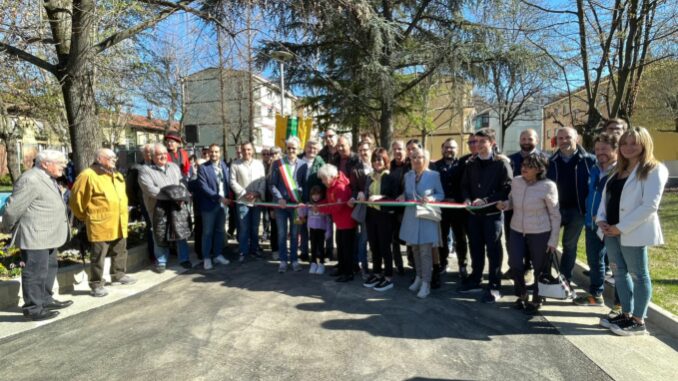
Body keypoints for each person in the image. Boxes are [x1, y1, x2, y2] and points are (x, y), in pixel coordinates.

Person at [597, 127, 668, 336]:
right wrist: (601, 219)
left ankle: (638, 320)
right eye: (624, 143)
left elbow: (650, 206)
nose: (628, 147)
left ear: (644, 144)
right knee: (619, 273)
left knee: (638, 275)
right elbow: (606, 199)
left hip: (631, 232)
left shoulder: (654, 169)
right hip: (610, 231)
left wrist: (620, 227)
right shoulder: (617, 170)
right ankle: (626, 314)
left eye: (633, 143)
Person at [2, 150, 72, 321]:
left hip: (49, 235)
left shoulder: (48, 178)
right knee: (35, 272)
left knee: (49, 268)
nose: (64, 166)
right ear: (45, 163)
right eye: (60, 163)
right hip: (35, 236)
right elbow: (12, 208)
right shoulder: (31, 179)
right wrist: (5, 227)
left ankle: (45, 300)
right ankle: (33, 309)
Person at [498, 153, 560, 314]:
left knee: (540, 268)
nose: (523, 168)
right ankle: (522, 294)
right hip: (517, 229)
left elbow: (555, 214)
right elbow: (512, 201)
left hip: (540, 232)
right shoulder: (517, 182)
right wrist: (505, 204)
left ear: (540, 169)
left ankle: (538, 297)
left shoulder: (548, 186)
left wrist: (553, 240)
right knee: (515, 264)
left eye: (529, 166)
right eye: (523, 165)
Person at [70, 148, 136, 297]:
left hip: (119, 220)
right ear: (99, 159)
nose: (115, 159)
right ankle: (96, 284)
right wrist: (84, 217)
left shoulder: (116, 174)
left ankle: (118, 274)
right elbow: (76, 200)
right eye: (110, 157)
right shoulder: (88, 175)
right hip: (100, 222)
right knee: (98, 254)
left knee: (120, 249)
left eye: (115, 157)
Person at [460, 129, 512, 303]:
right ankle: (475, 279)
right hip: (474, 215)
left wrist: (487, 200)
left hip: (492, 215)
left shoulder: (501, 164)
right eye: (476, 141)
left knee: (494, 250)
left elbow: (507, 188)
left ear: (492, 143)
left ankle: (494, 285)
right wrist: (467, 199)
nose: (478, 144)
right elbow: (465, 186)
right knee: (475, 247)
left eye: (483, 141)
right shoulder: (471, 163)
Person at [574, 133, 619, 307]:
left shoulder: (620, 171)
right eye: (598, 149)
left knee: (617, 267)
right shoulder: (594, 169)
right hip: (591, 223)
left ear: (615, 149)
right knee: (594, 261)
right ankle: (595, 295)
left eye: (605, 149)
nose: (600, 152)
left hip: (610, 226)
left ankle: (620, 304)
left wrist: (605, 217)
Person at [546, 127, 595, 283]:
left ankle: (564, 279)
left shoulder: (589, 161)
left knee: (569, 245)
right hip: (554, 210)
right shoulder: (549, 162)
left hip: (578, 210)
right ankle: (544, 276)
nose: (564, 141)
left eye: (568, 137)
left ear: (577, 139)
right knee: (547, 243)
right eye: (560, 138)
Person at [398, 148, 444, 299]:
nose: (416, 160)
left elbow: (441, 194)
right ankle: (418, 277)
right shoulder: (408, 175)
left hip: (426, 216)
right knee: (415, 250)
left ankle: (426, 283)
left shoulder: (434, 175)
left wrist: (431, 199)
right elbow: (407, 193)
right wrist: (402, 196)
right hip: (411, 216)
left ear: (426, 159)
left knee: (425, 252)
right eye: (413, 157)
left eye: (420, 157)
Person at [138, 143, 192, 272]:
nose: (162, 156)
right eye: (159, 154)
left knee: (180, 231)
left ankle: (184, 259)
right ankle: (161, 261)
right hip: (157, 207)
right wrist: (174, 196)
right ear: (152, 156)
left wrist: (182, 196)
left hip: (177, 206)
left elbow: (180, 183)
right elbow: (151, 190)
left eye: (164, 153)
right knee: (159, 233)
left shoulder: (173, 167)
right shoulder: (145, 170)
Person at [504, 129, 549, 282]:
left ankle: (528, 268)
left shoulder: (545, 159)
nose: (526, 142)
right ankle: (515, 267)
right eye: (523, 139)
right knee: (511, 240)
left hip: (536, 210)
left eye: (529, 139)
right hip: (513, 208)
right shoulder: (511, 160)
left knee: (531, 242)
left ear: (536, 140)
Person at [358, 148, 400, 292]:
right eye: (375, 159)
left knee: (384, 247)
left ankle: (388, 277)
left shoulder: (390, 176)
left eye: (380, 159)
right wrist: (361, 194)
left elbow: (395, 198)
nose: (377, 162)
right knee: (374, 246)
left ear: (385, 160)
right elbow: (366, 191)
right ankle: (376, 273)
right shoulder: (370, 176)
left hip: (385, 216)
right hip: (370, 214)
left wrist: (380, 197)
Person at [270, 136, 307, 273]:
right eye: (289, 148)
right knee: (281, 233)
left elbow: (304, 184)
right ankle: (283, 261)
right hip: (281, 205)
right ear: (286, 149)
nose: (291, 150)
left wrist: (301, 198)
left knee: (294, 233)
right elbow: (272, 184)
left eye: (294, 148)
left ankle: (294, 260)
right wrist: (279, 198)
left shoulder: (303, 165)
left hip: (295, 205)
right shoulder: (278, 163)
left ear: (298, 149)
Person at [431, 138, 467, 279]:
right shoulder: (435, 166)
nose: (449, 150)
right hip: (442, 208)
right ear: (442, 149)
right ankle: (443, 263)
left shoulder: (463, 164)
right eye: (446, 147)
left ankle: (463, 264)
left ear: (457, 149)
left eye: (452, 147)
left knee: (460, 238)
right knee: (443, 238)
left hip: (459, 208)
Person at [316, 164, 356, 282]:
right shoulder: (331, 187)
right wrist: (318, 204)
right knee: (340, 247)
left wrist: (320, 208)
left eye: (323, 178)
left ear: (330, 176)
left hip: (347, 223)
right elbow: (329, 202)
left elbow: (336, 207)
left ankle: (348, 273)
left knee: (347, 249)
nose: (322, 182)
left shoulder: (340, 187)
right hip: (340, 223)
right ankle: (342, 268)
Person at [230, 142, 266, 262]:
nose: (247, 152)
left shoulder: (259, 164)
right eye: (244, 150)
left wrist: (257, 193)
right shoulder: (235, 164)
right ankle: (243, 251)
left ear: (253, 150)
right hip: (242, 201)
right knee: (244, 228)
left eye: (249, 149)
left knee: (255, 227)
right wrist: (244, 193)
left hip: (256, 200)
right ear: (241, 150)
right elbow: (232, 182)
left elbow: (263, 180)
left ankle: (254, 250)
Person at [197, 144, 232, 270]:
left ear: (220, 153)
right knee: (207, 232)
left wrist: (228, 197)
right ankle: (206, 258)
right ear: (208, 153)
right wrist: (219, 198)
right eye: (211, 152)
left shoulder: (223, 165)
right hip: (209, 206)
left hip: (223, 205)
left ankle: (217, 254)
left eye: (216, 152)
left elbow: (228, 183)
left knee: (219, 231)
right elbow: (204, 187)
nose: (214, 154)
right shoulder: (203, 168)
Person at [298, 140, 326, 262]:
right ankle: (304, 252)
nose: (312, 150)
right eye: (309, 147)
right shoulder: (298, 160)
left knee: (317, 227)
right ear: (305, 148)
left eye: (315, 148)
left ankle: (319, 253)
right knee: (302, 226)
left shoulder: (320, 162)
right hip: (301, 199)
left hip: (315, 199)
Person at [351, 140, 372, 275]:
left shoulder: (378, 165)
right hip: (364, 209)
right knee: (363, 239)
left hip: (378, 209)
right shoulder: (355, 169)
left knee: (376, 240)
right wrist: (357, 193)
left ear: (371, 150)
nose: (363, 153)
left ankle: (377, 267)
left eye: (365, 150)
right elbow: (353, 188)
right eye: (361, 151)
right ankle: (363, 267)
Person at [299, 186, 332, 274]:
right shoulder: (308, 204)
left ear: (321, 195)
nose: (315, 196)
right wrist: (300, 207)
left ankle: (321, 263)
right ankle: (313, 262)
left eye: (317, 194)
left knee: (321, 247)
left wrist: (328, 231)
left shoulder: (323, 204)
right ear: (311, 195)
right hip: (312, 229)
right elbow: (302, 214)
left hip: (321, 230)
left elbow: (328, 219)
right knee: (313, 247)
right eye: (313, 195)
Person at [389, 140, 409, 274]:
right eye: (395, 149)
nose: (398, 152)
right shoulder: (389, 166)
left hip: (406, 208)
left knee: (408, 237)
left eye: (400, 149)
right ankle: (399, 264)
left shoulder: (410, 165)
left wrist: (404, 194)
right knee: (393, 239)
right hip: (392, 207)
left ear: (405, 151)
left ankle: (412, 262)